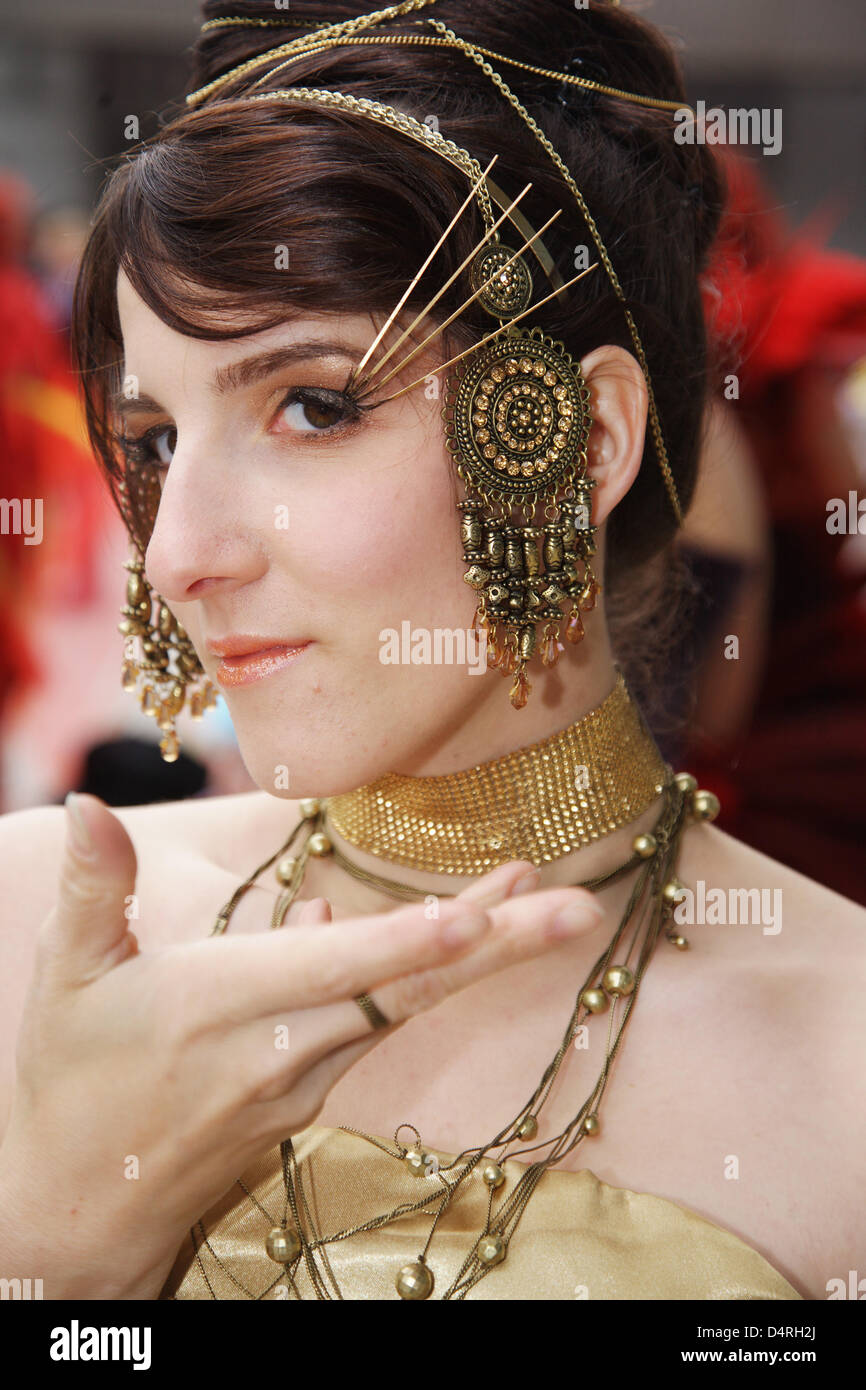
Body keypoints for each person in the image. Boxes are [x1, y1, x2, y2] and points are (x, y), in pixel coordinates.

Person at [0, 0, 862, 1302]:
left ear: (573, 444)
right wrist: (59, 1250)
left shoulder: (840, 1059)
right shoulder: (26, 929)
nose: (178, 549)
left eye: (312, 405)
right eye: (157, 438)